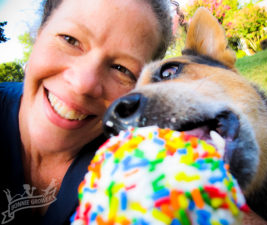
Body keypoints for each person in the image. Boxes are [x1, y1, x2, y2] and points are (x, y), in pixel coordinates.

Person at [0, 0, 173, 224]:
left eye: (122, 69)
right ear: (40, 34)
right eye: (70, 40)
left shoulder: (141, 173)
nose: (84, 84)